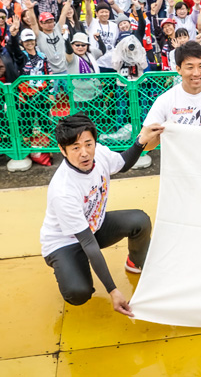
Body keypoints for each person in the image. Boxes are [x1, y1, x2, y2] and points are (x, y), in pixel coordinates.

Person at [40, 113, 164, 315]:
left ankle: (136, 261)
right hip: (65, 242)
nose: (84, 153)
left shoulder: (100, 154)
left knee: (139, 221)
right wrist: (113, 290)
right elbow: (88, 243)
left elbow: (123, 163)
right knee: (78, 293)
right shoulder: (63, 191)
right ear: (62, 150)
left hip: (94, 226)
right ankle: (69, 268)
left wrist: (142, 140)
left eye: (88, 144)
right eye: (75, 148)